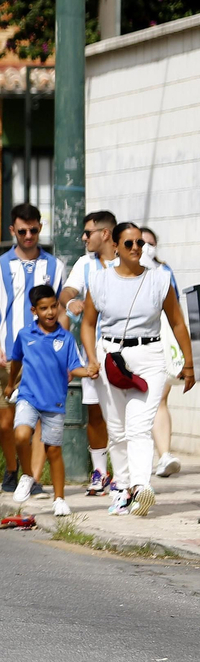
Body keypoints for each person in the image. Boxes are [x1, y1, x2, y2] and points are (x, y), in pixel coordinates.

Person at [80, 222, 195, 517]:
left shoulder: (159, 280)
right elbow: (88, 324)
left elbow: (178, 322)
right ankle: (121, 488)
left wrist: (189, 364)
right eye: (129, 243)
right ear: (115, 247)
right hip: (111, 357)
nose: (136, 248)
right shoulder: (100, 281)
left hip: (150, 356)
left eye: (140, 243)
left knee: (139, 426)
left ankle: (141, 487)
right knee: (117, 429)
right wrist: (92, 358)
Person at [0, 203, 65, 493]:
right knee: (6, 423)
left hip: (45, 358)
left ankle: (33, 478)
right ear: (12, 231)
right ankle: (11, 468)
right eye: (22, 231)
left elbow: (61, 312)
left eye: (33, 230)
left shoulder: (55, 266)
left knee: (41, 420)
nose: (28, 236)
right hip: (10, 356)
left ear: (40, 228)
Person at [8, 286, 93, 515]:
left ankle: (59, 499)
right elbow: (16, 360)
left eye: (53, 306)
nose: (50, 312)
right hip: (28, 397)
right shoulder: (25, 335)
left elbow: (74, 367)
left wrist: (89, 371)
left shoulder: (65, 338)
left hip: (55, 402)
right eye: (44, 308)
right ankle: (27, 476)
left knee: (53, 451)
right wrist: (10, 383)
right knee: (21, 435)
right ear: (34, 310)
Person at [60, 210, 119, 492]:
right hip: (93, 353)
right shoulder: (85, 264)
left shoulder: (127, 260)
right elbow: (67, 291)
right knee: (95, 414)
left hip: (125, 352)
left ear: (105, 234)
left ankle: (123, 474)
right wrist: (70, 302)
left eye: (88, 232)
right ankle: (100, 472)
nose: (83, 238)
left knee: (123, 416)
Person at [139, 226, 183, 479]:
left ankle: (164, 455)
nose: (145, 247)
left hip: (160, 343)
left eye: (150, 243)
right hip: (131, 346)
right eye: (140, 242)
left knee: (160, 398)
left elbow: (175, 312)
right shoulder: (119, 272)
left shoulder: (164, 272)